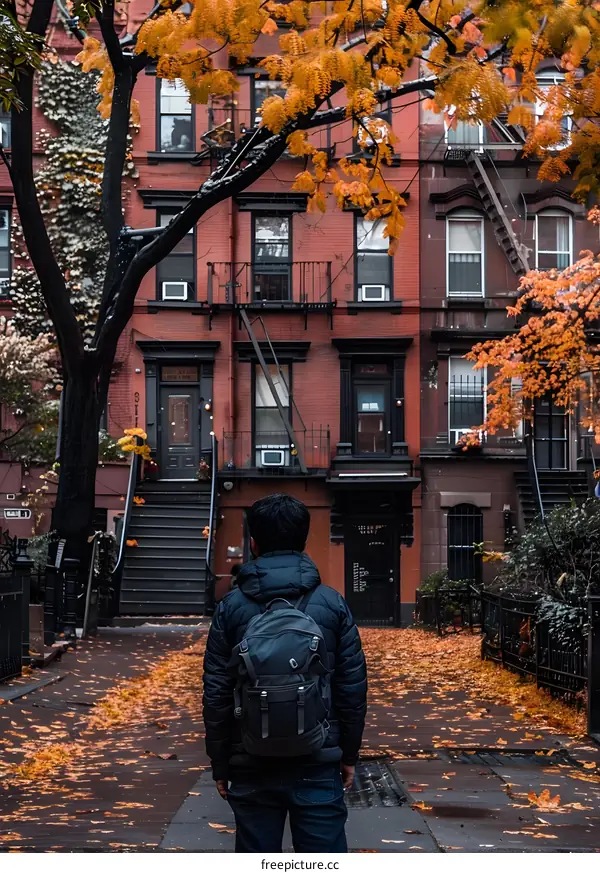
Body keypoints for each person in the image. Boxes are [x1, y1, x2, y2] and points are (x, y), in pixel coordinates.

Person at [203, 493, 367, 853]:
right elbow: (351, 688)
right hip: (318, 756)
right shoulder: (331, 603)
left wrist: (220, 762)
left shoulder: (231, 608)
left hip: (250, 757)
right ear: (303, 540)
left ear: (253, 542)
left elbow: (216, 690)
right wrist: (349, 755)